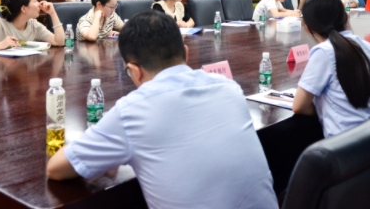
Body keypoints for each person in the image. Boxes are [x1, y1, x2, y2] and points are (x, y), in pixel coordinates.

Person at [47, 11, 279, 209]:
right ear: (186, 53)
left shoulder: (133, 111)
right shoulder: (229, 88)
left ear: (134, 71)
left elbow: (56, 169)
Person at [293, 0, 370, 137]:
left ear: (308, 28)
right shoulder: (366, 46)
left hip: (346, 143)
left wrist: (323, 107)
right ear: (345, 17)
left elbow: (299, 106)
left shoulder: (324, 52)